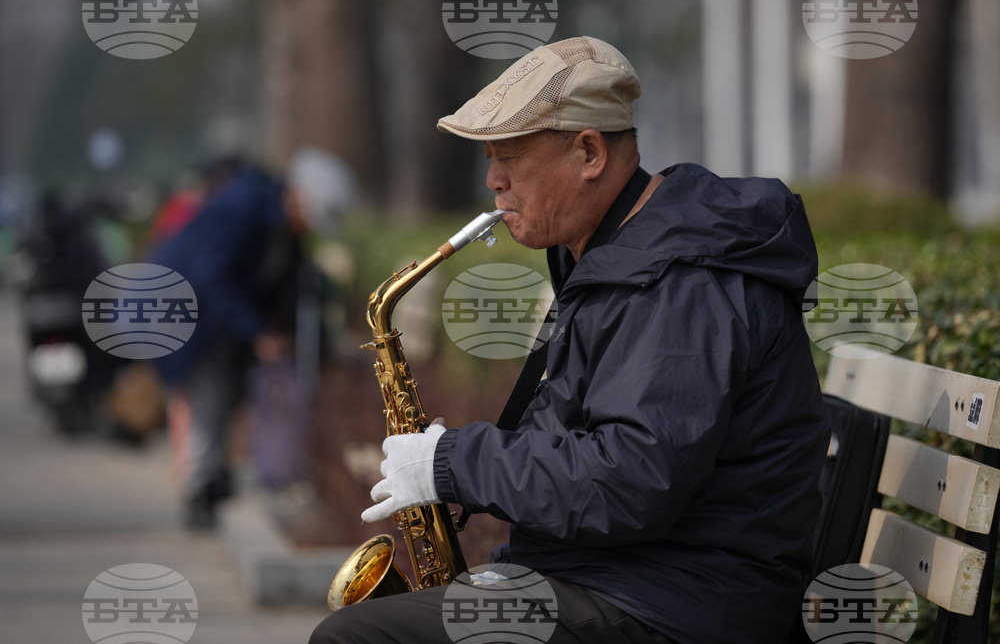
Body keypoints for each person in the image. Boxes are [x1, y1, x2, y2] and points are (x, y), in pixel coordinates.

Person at [310, 36, 828, 643]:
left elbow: (632, 483)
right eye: (488, 158)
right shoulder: (618, 253)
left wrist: (455, 463)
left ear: (588, 153)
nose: (494, 181)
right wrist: (458, 469)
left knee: (353, 637)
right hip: (630, 578)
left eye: (510, 156)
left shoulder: (678, 281)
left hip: (677, 607)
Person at [152, 147, 356, 529]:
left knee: (222, 398)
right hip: (188, 315)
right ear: (297, 196)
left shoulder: (277, 224)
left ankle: (212, 481)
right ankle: (200, 491)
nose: (309, 227)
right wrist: (256, 331)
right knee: (207, 399)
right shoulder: (242, 207)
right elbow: (212, 276)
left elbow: (289, 288)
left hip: (218, 322)